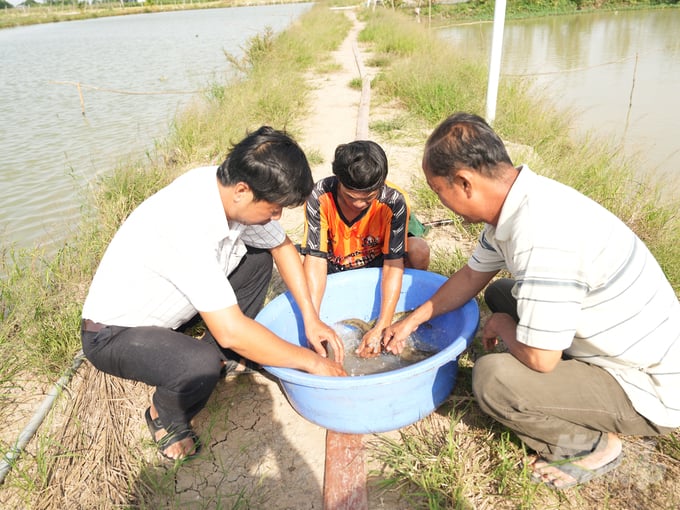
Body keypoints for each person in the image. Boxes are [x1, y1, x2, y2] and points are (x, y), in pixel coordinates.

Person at [383, 112, 680, 489]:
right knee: (499, 293)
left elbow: (541, 359)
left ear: (464, 182)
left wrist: (503, 326)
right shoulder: (519, 200)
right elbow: (472, 275)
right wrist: (410, 321)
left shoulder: (542, 235)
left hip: (650, 386)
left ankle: (587, 445)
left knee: (493, 378)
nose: (441, 202)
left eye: (439, 191)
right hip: (622, 341)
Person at [81, 126, 346, 462]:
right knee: (199, 365)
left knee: (259, 258)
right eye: (274, 208)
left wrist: (311, 319)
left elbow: (281, 247)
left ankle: (224, 355)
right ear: (242, 191)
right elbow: (231, 329)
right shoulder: (187, 223)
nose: (276, 217)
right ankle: (164, 414)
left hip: (173, 306)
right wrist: (313, 363)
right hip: (114, 334)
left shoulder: (225, 186)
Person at [300, 140, 430, 357]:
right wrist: (312, 320)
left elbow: (393, 264)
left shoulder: (394, 201)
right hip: (335, 265)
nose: (359, 204)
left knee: (418, 248)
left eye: (368, 198)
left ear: (381, 185)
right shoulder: (319, 196)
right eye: (351, 197)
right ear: (338, 180)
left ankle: (410, 305)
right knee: (295, 260)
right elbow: (315, 260)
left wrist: (382, 326)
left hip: (376, 262)